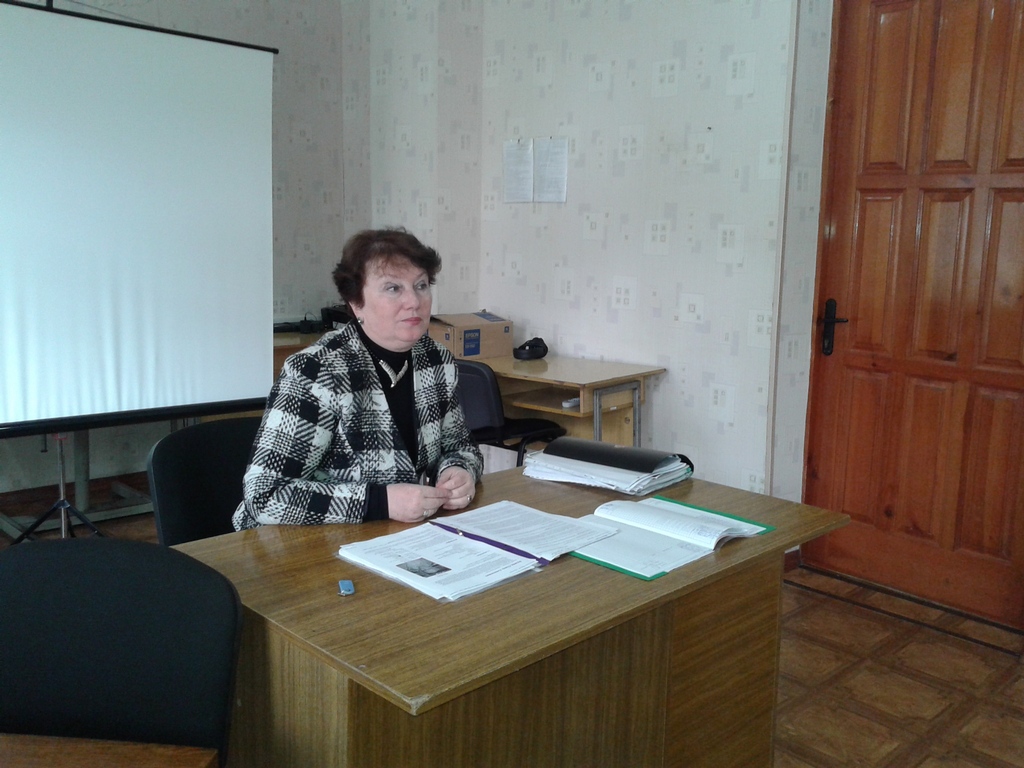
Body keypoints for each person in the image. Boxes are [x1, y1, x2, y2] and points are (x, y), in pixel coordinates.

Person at [232, 228, 483, 530]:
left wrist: (460, 471)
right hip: (298, 543)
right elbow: (264, 496)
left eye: (421, 285)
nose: (414, 301)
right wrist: (380, 502)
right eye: (393, 288)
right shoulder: (316, 370)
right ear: (355, 302)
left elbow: (461, 447)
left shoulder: (436, 360)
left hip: (390, 537)